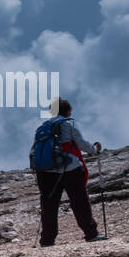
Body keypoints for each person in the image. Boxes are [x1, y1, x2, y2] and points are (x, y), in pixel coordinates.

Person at [32, 98, 106, 245]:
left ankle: (47, 240)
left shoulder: (42, 128)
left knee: (49, 205)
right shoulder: (67, 124)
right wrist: (94, 150)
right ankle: (91, 234)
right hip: (69, 168)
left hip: (45, 171)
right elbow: (81, 144)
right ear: (67, 111)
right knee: (80, 202)